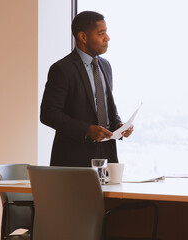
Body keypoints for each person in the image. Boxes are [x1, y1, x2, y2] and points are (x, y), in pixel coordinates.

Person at [40, 11, 133, 167]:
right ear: (83, 37)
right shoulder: (62, 69)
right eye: (101, 33)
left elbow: (107, 107)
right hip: (74, 160)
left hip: (107, 155)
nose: (107, 38)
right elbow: (48, 114)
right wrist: (87, 130)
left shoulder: (105, 66)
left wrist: (118, 125)